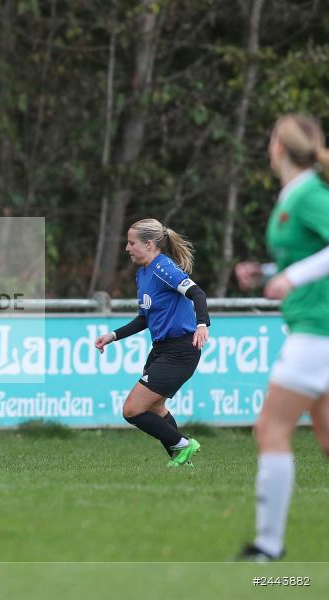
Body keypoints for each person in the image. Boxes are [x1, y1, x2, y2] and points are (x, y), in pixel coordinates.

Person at [233, 113, 329, 561]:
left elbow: (310, 264)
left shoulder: (309, 194)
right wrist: (268, 272)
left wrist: (292, 277)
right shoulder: (294, 195)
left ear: (278, 147)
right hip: (314, 327)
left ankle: (267, 547)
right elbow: (309, 255)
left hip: (318, 330)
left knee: (270, 427)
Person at [94, 218, 210, 467]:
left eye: (131, 243)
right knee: (156, 408)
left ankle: (182, 444)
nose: (127, 248)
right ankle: (182, 461)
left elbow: (197, 293)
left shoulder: (163, 269)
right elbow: (144, 319)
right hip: (161, 350)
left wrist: (202, 324)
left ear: (148, 244)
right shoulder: (143, 274)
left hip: (181, 351)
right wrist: (113, 336)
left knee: (131, 410)